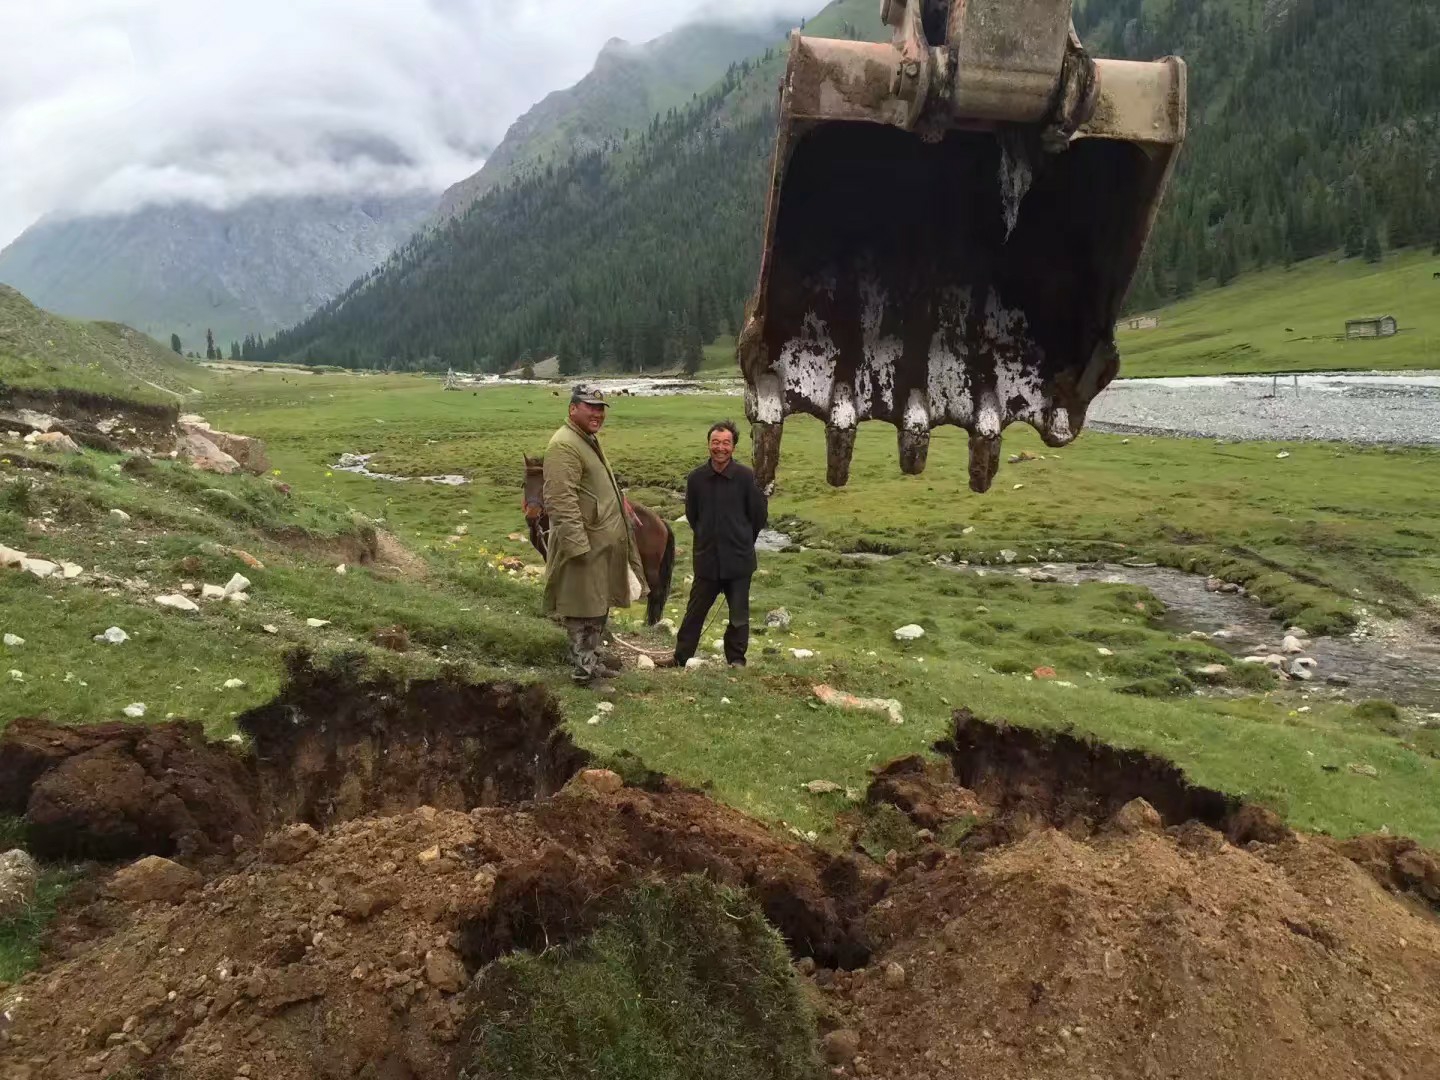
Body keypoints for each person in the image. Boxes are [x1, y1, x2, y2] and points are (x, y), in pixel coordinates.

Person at [541, 385, 647, 687]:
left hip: (600, 543)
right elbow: (560, 500)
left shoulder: (585, 440)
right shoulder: (564, 445)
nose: (597, 413)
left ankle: (593, 662)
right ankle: (584, 674)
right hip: (585, 546)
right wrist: (577, 546)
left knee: (597, 605)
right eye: (591, 407)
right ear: (573, 408)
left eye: (601, 408)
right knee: (581, 608)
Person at [673, 420, 768, 668]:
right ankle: (681, 657)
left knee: (738, 615)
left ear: (734, 447)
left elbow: (758, 517)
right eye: (715, 442)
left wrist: (743, 540)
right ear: (708, 444)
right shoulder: (696, 479)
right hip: (707, 560)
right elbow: (693, 516)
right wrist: (707, 538)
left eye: (726, 443)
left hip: (738, 561)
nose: (720, 448)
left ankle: (736, 659)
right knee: (694, 613)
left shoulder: (748, 478)